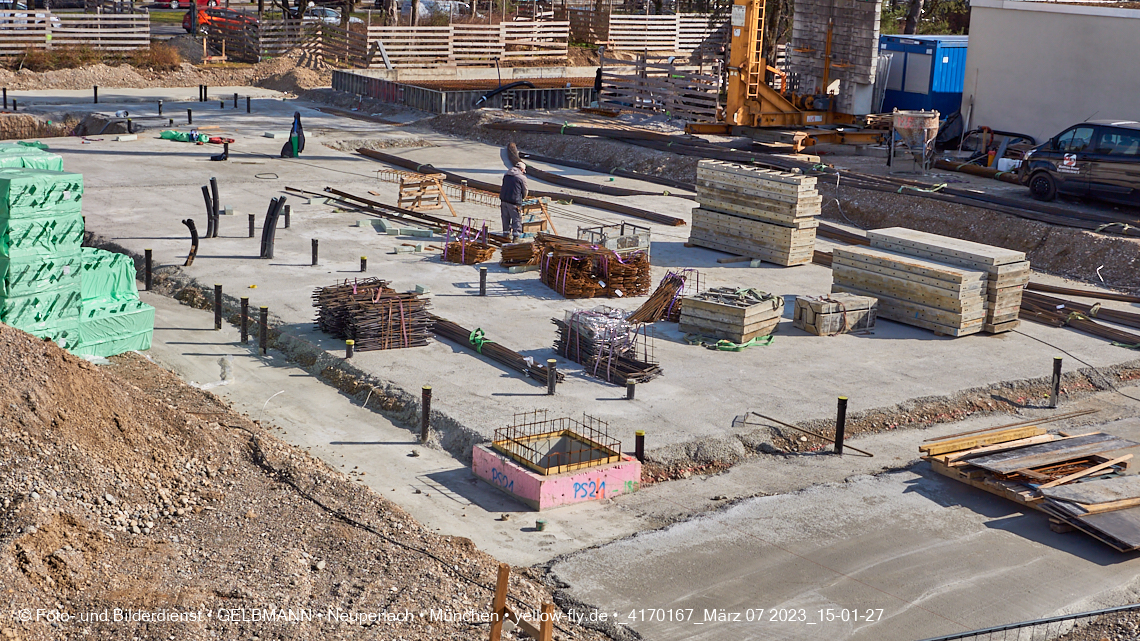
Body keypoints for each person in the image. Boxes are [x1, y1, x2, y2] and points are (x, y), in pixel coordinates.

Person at [500, 162, 528, 242]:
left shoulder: (506, 174)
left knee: (505, 218)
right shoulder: (521, 177)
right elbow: (525, 190)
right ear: (522, 170)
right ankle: (516, 237)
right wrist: (523, 198)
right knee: (516, 219)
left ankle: (506, 235)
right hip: (514, 202)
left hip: (504, 200)